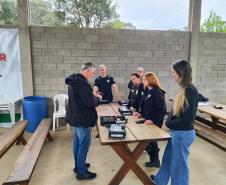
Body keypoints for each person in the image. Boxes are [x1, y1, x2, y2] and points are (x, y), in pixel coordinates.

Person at [151, 60, 199, 185]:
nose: (172, 74)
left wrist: (169, 123)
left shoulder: (190, 90)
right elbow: (175, 112)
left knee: (179, 168)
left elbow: (187, 120)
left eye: (173, 72)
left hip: (183, 134)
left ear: (181, 72)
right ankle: (160, 181)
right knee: (167, 159)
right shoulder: (183, 88)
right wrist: (170, 122)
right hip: (176, 133)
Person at [65, 62, 102, 180]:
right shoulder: (82, 83)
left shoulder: (74, 81)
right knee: (84, 145)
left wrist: (91, 95)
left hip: (75, 117)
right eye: (92, 72)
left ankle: (78, 165)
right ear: (87, 70)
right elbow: (90, 103)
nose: (93, 75)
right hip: (82, 119)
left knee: (77, 142)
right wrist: (97, 99)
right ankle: (81, 172)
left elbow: (82, 98)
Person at [134, 72, 166, 168]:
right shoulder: (149, 91)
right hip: (147, 120)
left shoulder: (157, 92)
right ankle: (154, 160)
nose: (142, 81)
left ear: (150, 80)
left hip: (154, 121)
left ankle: (155, 160)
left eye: (144, 80)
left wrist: (153, 120)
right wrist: (140, 114)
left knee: (151, 141)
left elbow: (162, 110)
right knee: (149, 142)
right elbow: (146, 106)